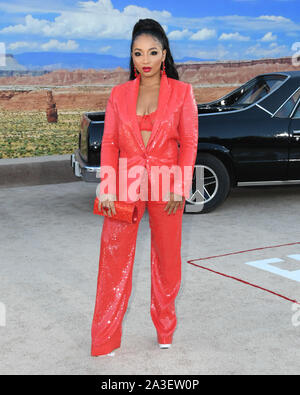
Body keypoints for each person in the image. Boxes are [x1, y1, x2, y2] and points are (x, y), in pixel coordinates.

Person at [91, 18, 199, 357]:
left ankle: (165, 328)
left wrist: (180, 188)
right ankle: (105, 337)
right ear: (132, 58)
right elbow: (109, 142)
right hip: (124, 184)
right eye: (138, 53)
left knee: (167, 261)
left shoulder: (182, 92)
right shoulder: (119, 94)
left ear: (164, 54)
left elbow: (191, 142)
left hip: (168, 187)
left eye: (152, 51)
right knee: (112, 260)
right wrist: (107, 186)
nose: (146, 59)